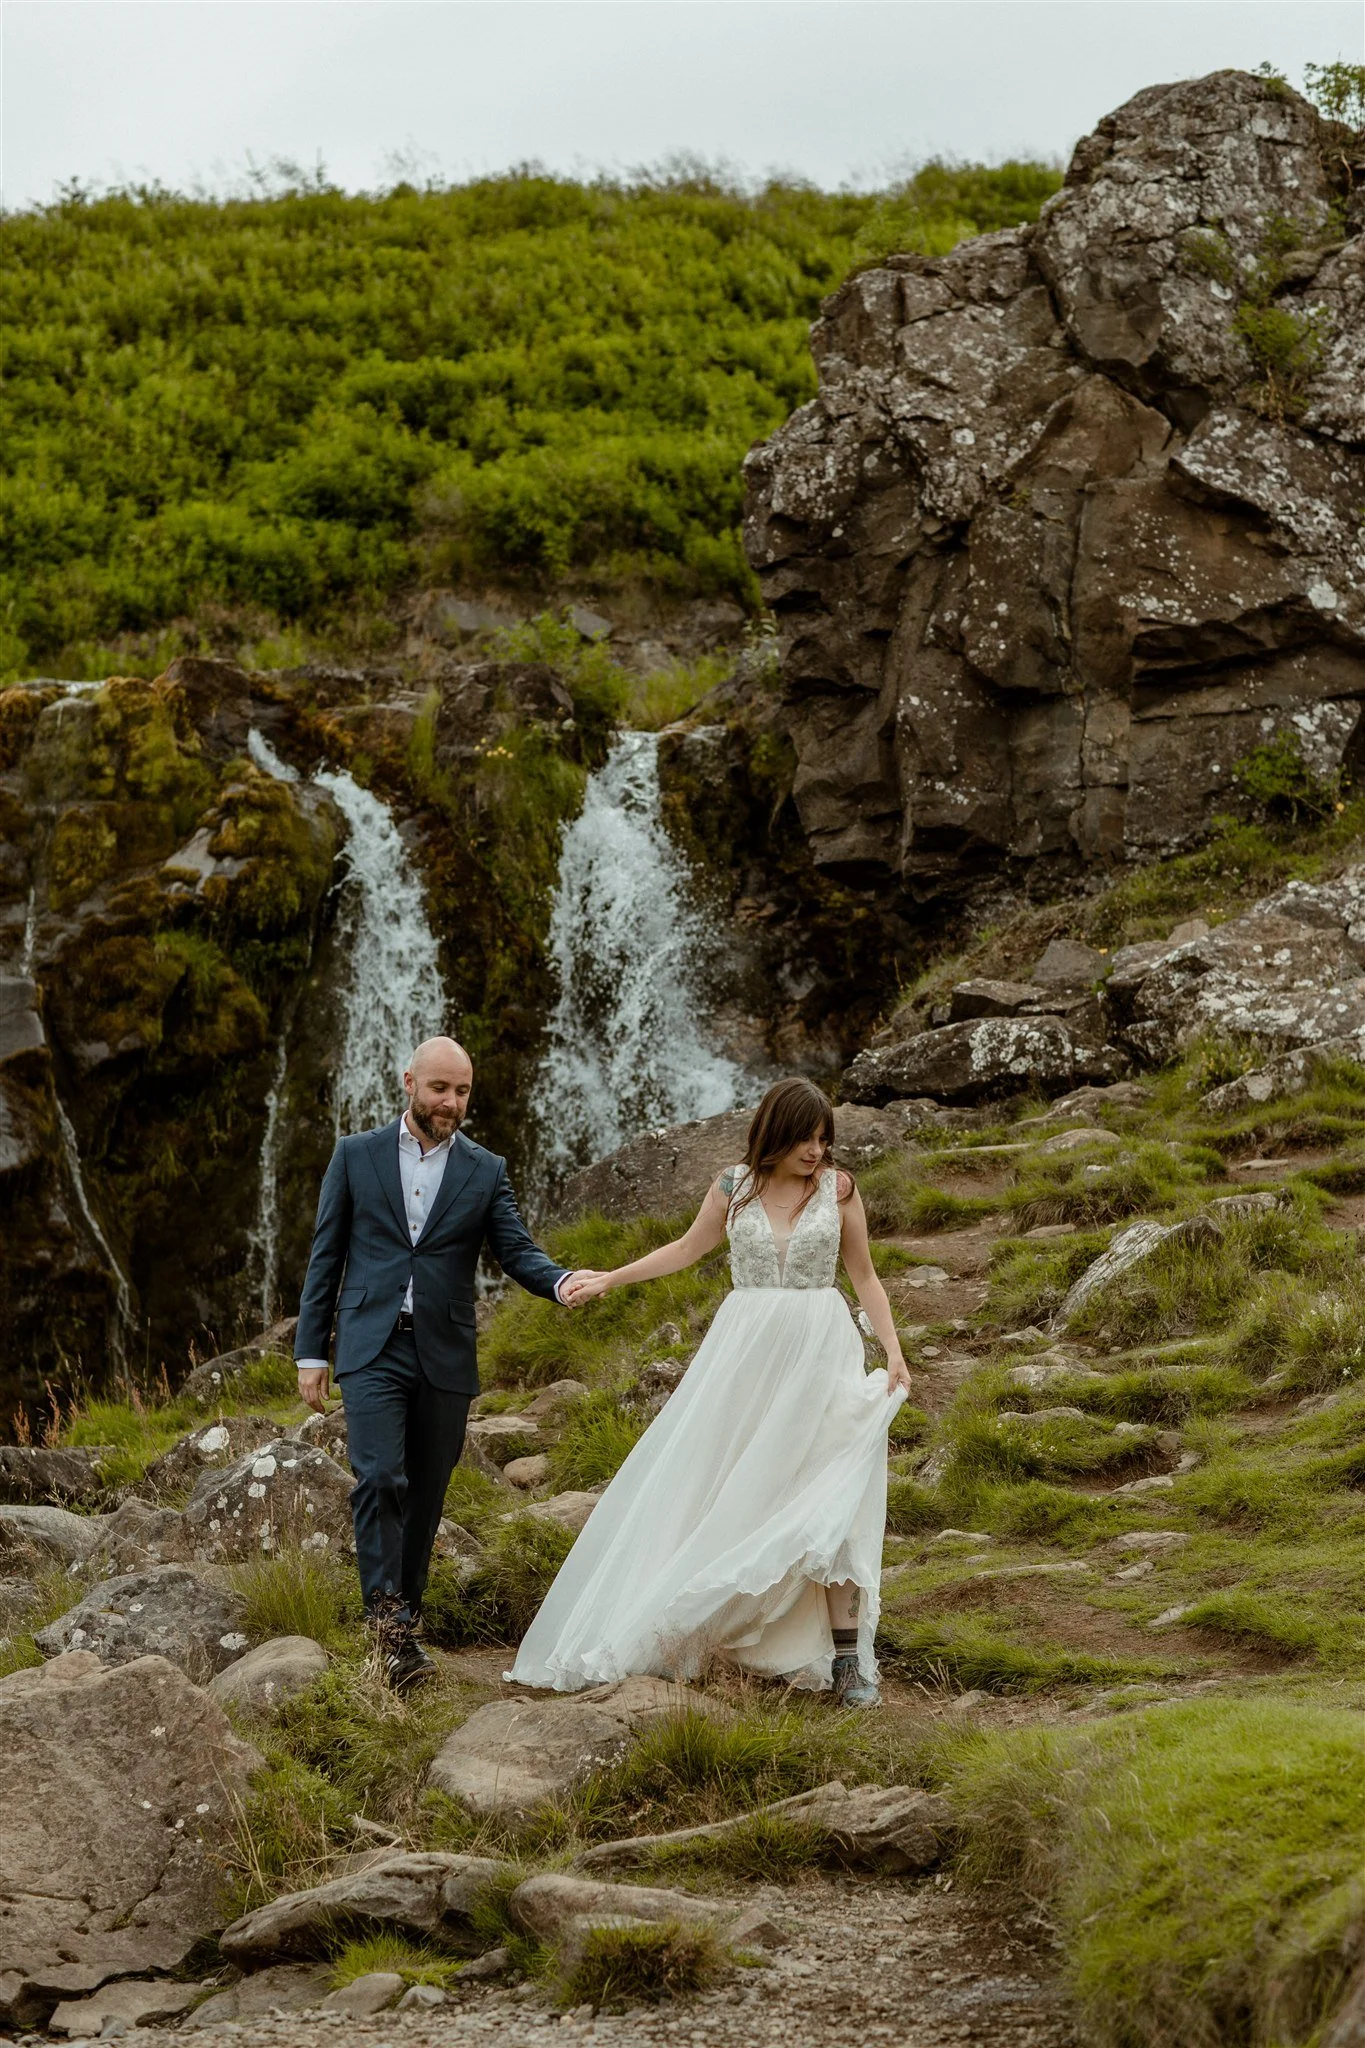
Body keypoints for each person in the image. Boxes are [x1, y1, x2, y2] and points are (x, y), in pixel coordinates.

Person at [513, 1077, 913, 1707]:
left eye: (823, 1137)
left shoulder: (838, 1190)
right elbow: (685, 1249)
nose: (816, 1149)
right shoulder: (734, 1187)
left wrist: (892, 1350)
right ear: (775, 1133)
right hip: (745, 1356)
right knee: (726, 1484)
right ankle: (702, 1623)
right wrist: (612, 1279)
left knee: (830, 1488)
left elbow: (864, 1275)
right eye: (805, 1137)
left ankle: (846, 1659)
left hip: (820, 1351)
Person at [294, 1036, 597, 1689]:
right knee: (379, 1478)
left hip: (443, 1350)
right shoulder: (354, 1155)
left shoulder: (485, 1170)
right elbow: (327, 1256)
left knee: (426, 1496)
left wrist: (559, 1280)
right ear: (409, 1082)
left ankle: (407, 1622)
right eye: (439, 1089)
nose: (450, 1103)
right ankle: (389, 1627)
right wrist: (310, 1350)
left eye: (461, 1092)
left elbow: (516, 1249)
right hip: (371, 1345)